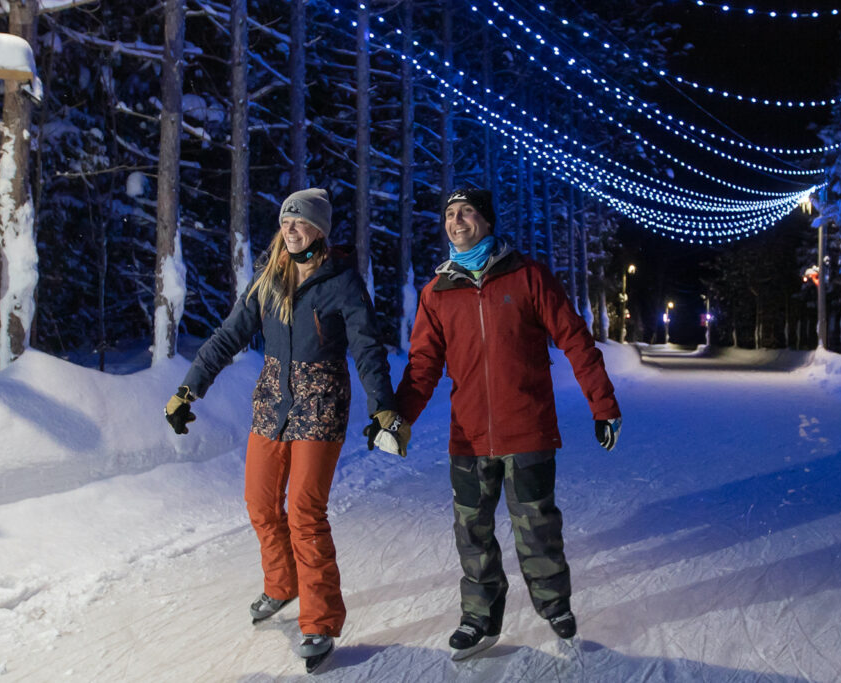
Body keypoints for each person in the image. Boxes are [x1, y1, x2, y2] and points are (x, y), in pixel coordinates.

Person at [163, 188, 410, 664]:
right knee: (259, 501)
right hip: (273, 400)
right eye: (285, 221)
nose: (290, 228)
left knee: (303, 511)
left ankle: (319, 622)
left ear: (320, 229)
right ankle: (282, 584)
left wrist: (383, 406)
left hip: (321, 404)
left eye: (300, 221)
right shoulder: (269, 279)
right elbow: (228, 335)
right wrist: (188, 388)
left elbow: (367, 348)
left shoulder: (342, 282)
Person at [395, 187, 622, 660]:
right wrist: (398, 419)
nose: (456, 221)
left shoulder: (528, 276)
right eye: (450, 214)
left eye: (467, 213)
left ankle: (554, 604)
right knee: (471, 530)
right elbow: (422, 367)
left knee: (536, 525)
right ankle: (479, 617)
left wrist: (603, 405)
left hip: (528, 429)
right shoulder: (436, 292)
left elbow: (576, 341)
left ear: (488, 220)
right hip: (468, 435)